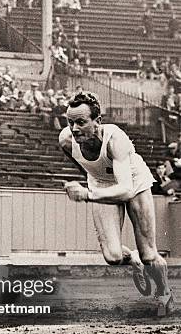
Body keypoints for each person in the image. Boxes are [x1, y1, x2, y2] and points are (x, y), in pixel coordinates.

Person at [59, 92, 174, 316]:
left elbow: (125, 190)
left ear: (98, 121)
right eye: (70, 122)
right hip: (102, 184)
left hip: (133, 182)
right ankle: (134, 261)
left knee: (149, 254)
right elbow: (88, 167)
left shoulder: (115, 140)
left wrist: (88, 195)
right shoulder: (65, 141)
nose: (74, 129)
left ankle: (164, 293)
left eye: (81, 122)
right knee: (112, 256)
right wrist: (93, 188)